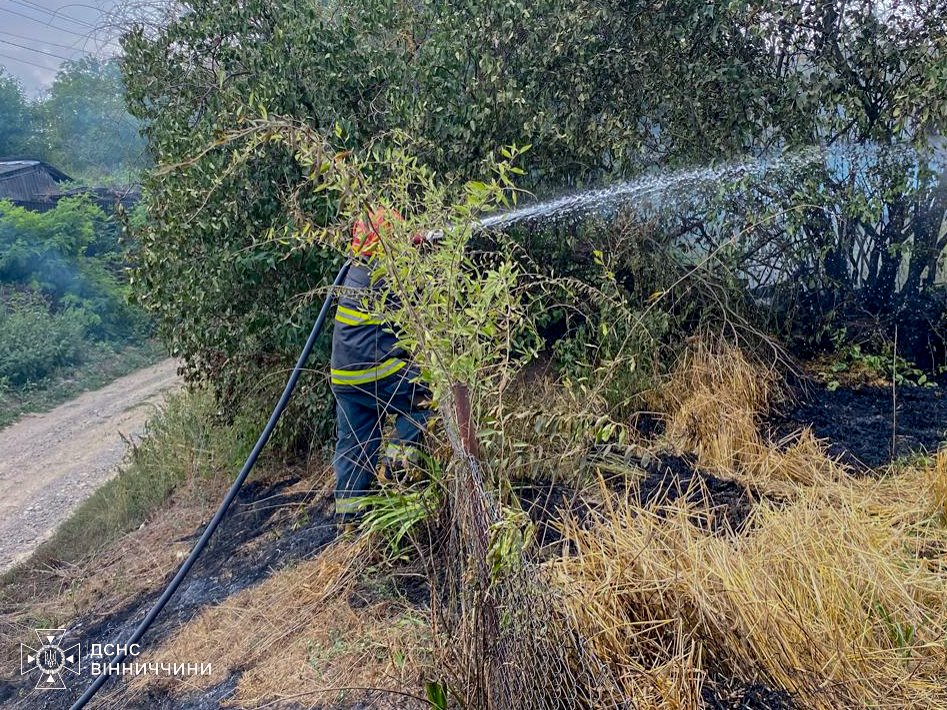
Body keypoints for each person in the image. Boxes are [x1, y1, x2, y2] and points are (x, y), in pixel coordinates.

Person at [330, 206, 431, 521]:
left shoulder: (354, 269)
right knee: (427, 394)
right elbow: (419, 311)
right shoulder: (384, 271)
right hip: (375, 369)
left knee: (355, 446)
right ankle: (399, 469)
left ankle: (350, 522)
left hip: (345, 376)